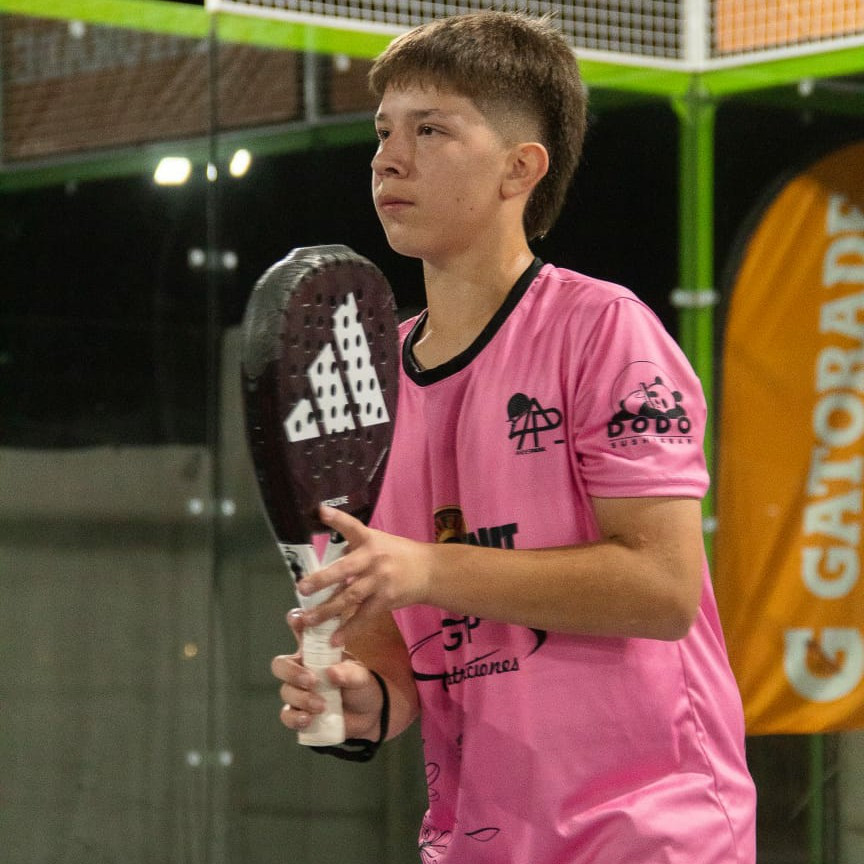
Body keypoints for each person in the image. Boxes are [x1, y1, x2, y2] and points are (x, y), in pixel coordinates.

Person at [271, 11, 757, 862]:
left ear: (519, 168)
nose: (389, 158)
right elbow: (394, 649)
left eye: (430, 130)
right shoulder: (370, 385)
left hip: (650, 834)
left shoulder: (605, 331)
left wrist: (427, 568)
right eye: (384, 131)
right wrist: (363, 699)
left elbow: (663, 588)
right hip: (477, 839)